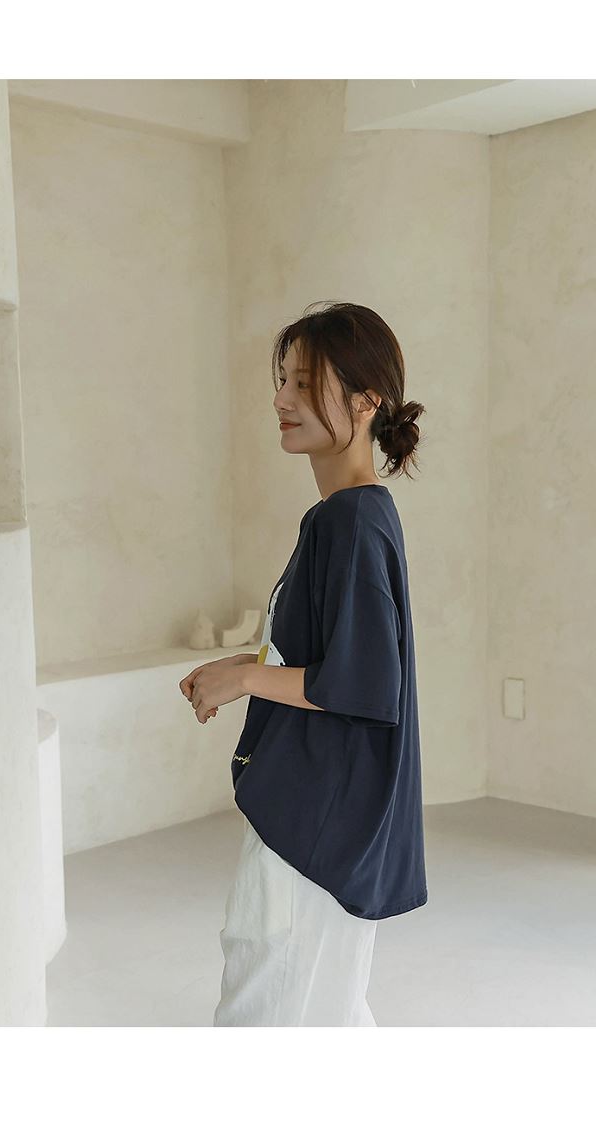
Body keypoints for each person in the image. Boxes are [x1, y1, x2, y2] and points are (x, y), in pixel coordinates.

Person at [179, 301, 428, 1026]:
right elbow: (335, 655)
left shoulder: (351, 520)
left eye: (305, 383)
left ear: (365, 401)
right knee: (321, 1012)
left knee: (271, 1014)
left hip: (314, 830)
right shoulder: (349, 515)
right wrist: (244, 663)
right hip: (320, 821)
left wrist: (245, 678)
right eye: (282, 380)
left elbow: (366, 683)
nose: (281, 399)